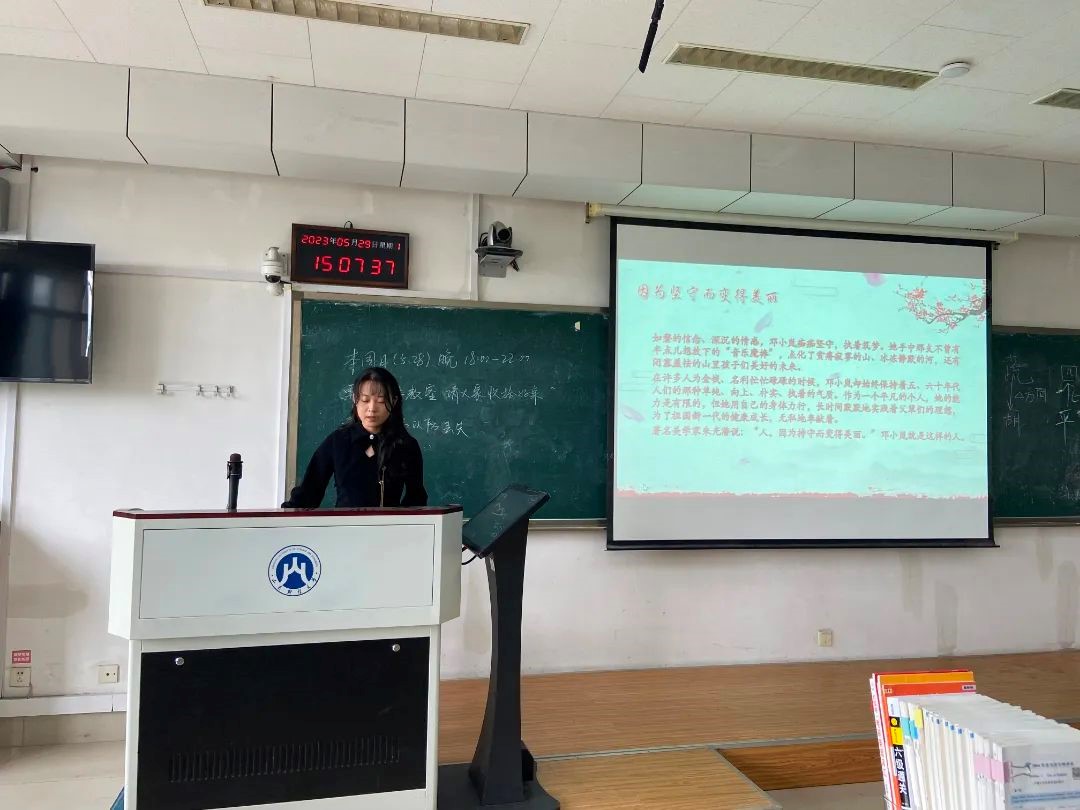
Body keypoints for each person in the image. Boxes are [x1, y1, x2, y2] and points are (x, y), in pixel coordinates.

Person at [283, 367, 428, 508]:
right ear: (355, 399)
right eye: (365, 400)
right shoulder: (338, 441)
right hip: (344, 524)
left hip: (388, 524)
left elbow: (416, 498)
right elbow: (309, 492)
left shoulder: (406, 445)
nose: (372, 408)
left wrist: (399, 520)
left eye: (380, 401)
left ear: (394, 401)